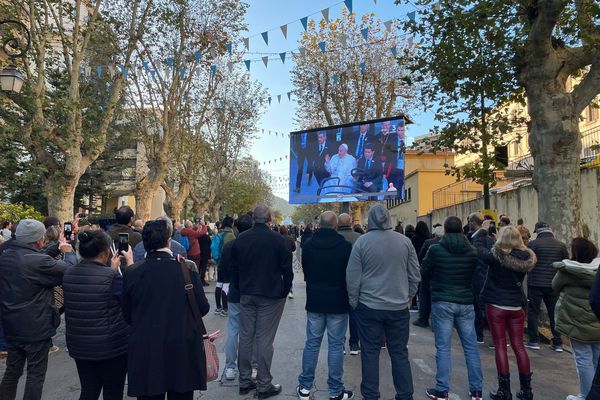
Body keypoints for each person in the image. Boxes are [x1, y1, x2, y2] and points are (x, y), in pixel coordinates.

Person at [123, 220, 210, 400]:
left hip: (146, 347)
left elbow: (127, 314)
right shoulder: (186, 269)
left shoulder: (133, 273)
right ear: (168, 241)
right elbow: (202, 307)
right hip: (182, 345)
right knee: (181, 393)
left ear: (144, 243)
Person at [346, 204, 420, 400]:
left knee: (369, 352)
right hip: (398, 307)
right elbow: (415, 275)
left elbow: (353, 277)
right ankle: (405, 395)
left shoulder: (361, 243)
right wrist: (408, 298)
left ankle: (370, 395)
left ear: (370, 220)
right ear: (389, 219)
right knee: (399, 352)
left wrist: (355, 302)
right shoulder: (404, 242)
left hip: (368, 306)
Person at [0, 219, 77, 400]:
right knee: (35, 374)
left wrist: (56, 247)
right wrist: (69, 253)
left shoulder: (6, 255)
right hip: (36, 326)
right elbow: (70, 271)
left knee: (12, 371)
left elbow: (33, 255)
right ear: (39, 239)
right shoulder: (38, 261)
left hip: (11, 322)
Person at [230, 204, 293, 399]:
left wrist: (240, 288)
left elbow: (234, 268)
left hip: (247, 293)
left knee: (246, 337)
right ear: (269, 219)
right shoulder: (278, 240)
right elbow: (287, 270)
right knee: (264, 339)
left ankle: (245, 380)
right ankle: (264, 384)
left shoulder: (241, 239)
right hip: (270, 295)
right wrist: (284, 290)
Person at [62, 230, 134, 400]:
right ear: (104, 252)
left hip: (79, 344)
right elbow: (130, 299)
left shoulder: (69, 273)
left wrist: (111, 271)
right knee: (113, 392)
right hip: (111, 346)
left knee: (88, 390)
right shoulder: (111, 277)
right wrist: (127, 266)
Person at [420, 216, 483, 400]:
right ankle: (476, 390)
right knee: (471, 347)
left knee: (443, 347)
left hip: (442, 300)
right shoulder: (472, 251)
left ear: (445, 231)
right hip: (465, 301)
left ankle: (442, 390)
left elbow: (423, 270)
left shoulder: (435, 250)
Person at [296, 212, 354, 400]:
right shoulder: (345, 247)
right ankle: (335, 391)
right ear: (336, 225)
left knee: (312, 343)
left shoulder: (309, 245)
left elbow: (306, 270)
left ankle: (304, 387)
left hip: (315, 300)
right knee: (336, 346)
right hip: (338, 301)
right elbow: (350, 275)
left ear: (319, 224)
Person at [480, 226, 537, 400]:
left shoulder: (496, 256)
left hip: (496, 304)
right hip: (516, 305)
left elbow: (479, 250)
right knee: (519, 346)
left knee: (499, 345)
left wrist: (484, 232)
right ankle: (526, 390)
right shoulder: (527, 257)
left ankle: (504, 390)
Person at [553, 238, 600, 400]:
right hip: (597, 320)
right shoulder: (598, 269)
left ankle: (586, 395)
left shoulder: (567, 270)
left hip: (576, 321)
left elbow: (555, 286)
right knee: (596, 359)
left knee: (582, 359)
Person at [526, 221, 569, 351]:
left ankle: (534, 341)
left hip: (535, 284)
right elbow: (565, 263)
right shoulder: (561, 245)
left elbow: (527, 262)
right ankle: (558, 343)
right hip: (553, 284)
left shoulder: (533, 244)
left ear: (538, 232)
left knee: (533, 312)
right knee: (553, 313)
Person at [222, 214, 255, 381]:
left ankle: (229, 367)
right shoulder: (255, 246)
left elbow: (223, 270)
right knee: (251, 331)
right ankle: (252, 367)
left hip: (234, 293)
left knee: (233, 330)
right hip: (251, 293)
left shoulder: (229, 246)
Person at [468, 213, 496, 344]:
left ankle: (480, 335)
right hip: (487, 276)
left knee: (479, 307)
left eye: (469, 221)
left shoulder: (478, 239)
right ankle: (491, 336)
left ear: (474, 222)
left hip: (479, 275)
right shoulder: (490, 239)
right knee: (484, 307)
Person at [337, 213, 362, 355]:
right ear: (351, 222)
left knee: (340, 315)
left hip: (337, 282)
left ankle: (340, 343)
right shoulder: (359, 238)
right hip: (356, 282)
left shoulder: (333, 238)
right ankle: (354, 344)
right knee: (354, 313)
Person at [413, 225, 444, 328]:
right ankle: (436, 322)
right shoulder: (446, 244)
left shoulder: (429, 243)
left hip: (428, 274)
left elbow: (420, 257)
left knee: (425, 296)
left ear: (434, 233)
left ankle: (423, 319)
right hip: (441, 275)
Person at [215, 216, 236, 316]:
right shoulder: (230, 235)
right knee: (226, 285)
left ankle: (218, 307)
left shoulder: (219, 233)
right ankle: (225, 309)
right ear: (231, 223)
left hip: (219, 262)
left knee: (219, 284)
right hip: (227, 263)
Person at [181, 219, 209, 286]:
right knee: (195, 269)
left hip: (188, 252)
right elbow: (202, 232)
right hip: (195, 253)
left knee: (188, 268)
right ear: (190, 226)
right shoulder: (191, 232)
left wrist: (196, 227)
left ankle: (189, 280)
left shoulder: (184, 231)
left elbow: (193, 230)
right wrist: (204, 225)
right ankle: (195, 283)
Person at [410, 221, 431, 311]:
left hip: (417, 262)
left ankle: (414, 304)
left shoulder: (414, 238)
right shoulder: (429, 238)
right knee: (424, 286)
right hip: (426, 263)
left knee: (416, 282)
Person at [279, 225, 297, 299]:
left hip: (279, 258)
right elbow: (294, 248)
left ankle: (279, 289)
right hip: (288, 258)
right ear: (287, 230)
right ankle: (290, 291)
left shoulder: (277, 237)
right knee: (288, 274)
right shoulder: (290, 238)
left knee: (279, 273)